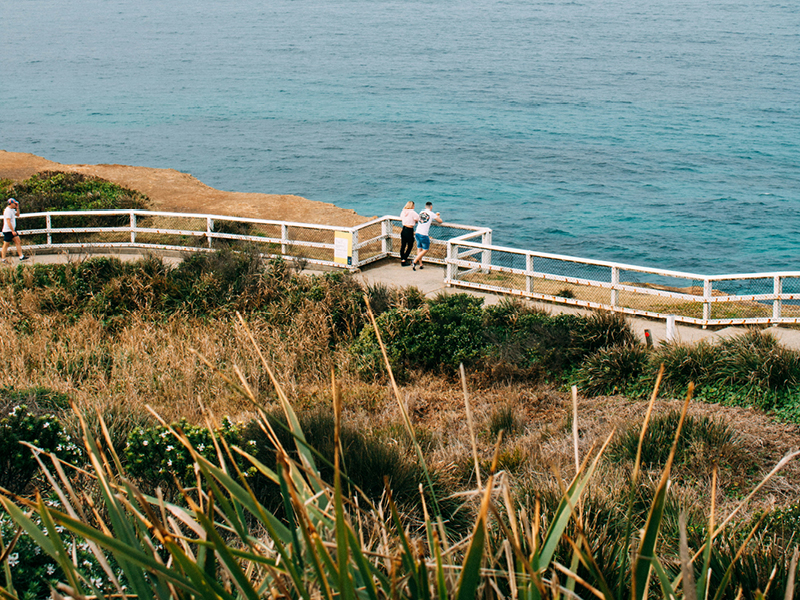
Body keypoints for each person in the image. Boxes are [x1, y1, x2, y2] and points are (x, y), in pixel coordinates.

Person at [412, 202, 442, 271]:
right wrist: (438, 216)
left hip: (417, 232)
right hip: (423, 234)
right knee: (426, 249)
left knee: (419, 248)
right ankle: (414, 261)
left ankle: (421, 264)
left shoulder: (421, 212)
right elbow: (440, 221)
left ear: (425, 206)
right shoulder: (431, 214)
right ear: (431, 207)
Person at [2, 198, 27, 262]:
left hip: (12, 230)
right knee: (6, 245)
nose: (15, 205)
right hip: (8, 230)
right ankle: (3, 259)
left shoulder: (12, 210)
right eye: (15, 204)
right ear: (11, 203)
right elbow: (8, 221)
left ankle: (21, 256)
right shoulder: (7, 211)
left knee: (18, 241)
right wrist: (12, 231)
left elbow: (18, 214)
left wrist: (17, 207)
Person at [399, 201, 419, 266]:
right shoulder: (412, 212)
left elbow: (401, 218)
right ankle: (404, 258)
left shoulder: (403, 212)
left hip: (404, 229)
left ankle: (402, 260)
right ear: (412, 206)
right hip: (410, 230)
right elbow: (418, 218)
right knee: (410, 245)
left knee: (403, 246)